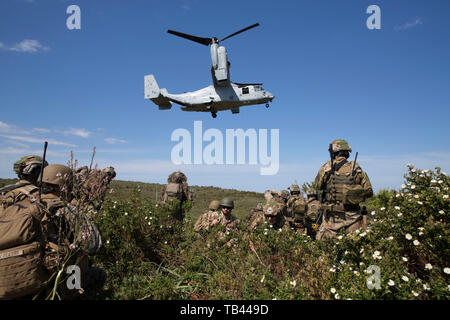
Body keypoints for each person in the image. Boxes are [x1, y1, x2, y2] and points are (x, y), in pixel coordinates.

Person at [313, 139, 373, 240]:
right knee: (354, 249)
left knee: (325, 248)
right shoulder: (357, 169)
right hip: (354, 217)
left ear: (333, 152)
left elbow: (316, 186)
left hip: (332, 219)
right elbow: (369, 191)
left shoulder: (326, 168)